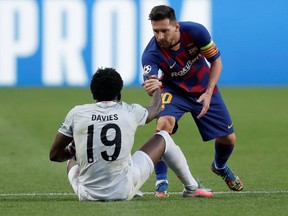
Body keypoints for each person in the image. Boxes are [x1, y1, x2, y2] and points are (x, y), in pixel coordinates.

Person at [49, 67, 213, 201]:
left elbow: (54, 155)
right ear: (119, 92)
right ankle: (192, 187)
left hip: (86, 195)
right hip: (123, 190)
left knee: (73, 155)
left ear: (93, 93)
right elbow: (156, 109)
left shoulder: (77, 113)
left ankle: (81, 165)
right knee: (163, 137)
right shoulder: (129, 111)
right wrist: (156, 88)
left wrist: (73, 152)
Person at [142, 5, 244, 197]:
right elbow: (153, 86)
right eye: (156, 31)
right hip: (174, 91)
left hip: (204, 88)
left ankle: (219, 166)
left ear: (176, 26)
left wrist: (209, 92)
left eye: (165, 31)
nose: (160, 36)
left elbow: (216, 61)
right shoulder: (151, 54)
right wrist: (152, 89)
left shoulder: (196, 32)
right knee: (164, 124)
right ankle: (161, 181)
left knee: (228, 138)